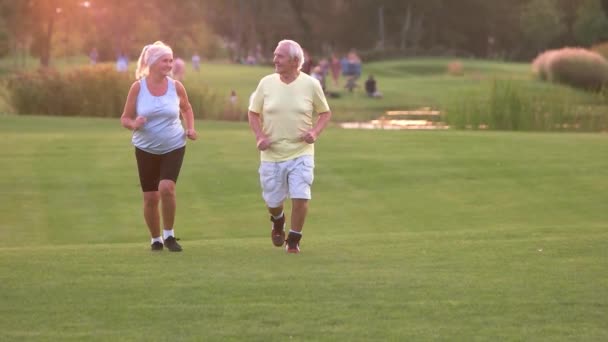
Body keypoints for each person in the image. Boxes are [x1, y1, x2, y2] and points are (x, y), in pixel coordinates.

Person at [248, 39, 332, 253]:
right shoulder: (266, 83)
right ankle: (278, 219)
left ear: (295, 61)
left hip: (301, 152)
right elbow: (253, 113)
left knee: (301, 194)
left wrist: (314, 132)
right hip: (271, 153)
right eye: (275, 55)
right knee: (272, 200)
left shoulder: (311, 84)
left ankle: (293, 240)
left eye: (280, 56)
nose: (274, 59)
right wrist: (259, 136)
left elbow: (325, 113)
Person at [120, 41, 198, 252]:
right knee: (150, 197)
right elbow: (125, 118)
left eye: (171, 60)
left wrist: (190, 128)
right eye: (165, 60)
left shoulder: (176, 86)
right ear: (153, 62)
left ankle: (169, 235)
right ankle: (156, 239)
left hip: (174, 145)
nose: (169, 64)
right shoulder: (138, 87)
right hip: (145, 148)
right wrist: (134, 124)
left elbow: (187, 108)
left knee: (166, 188)